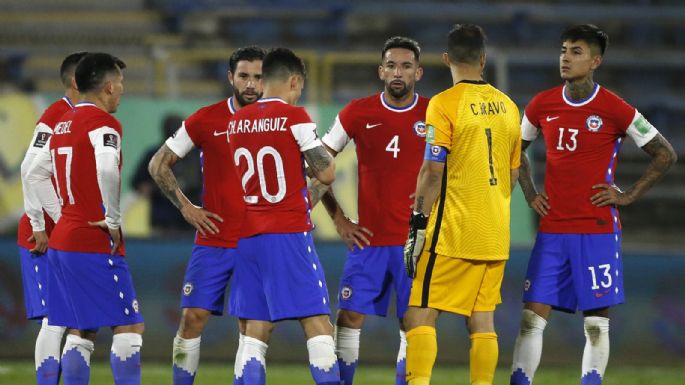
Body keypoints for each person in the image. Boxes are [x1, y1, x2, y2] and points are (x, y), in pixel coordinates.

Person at [509, 24, 677, 385]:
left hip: (596, 229)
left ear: (595, 61)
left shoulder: (615, 108)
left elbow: (665, 154)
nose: (566, 58)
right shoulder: (542, 103)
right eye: (563, 50)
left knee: (596, 325)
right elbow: (515, 152)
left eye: (576, 52)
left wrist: (628, 194)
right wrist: (529, 193)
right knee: (530, 318)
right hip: (553, 229)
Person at [403, 24, 521, 385]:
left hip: (452, 230)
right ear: (483, 60)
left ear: (445, 59)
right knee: (482, 319)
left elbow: (432, 170)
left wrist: (418, 222)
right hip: (495, 233)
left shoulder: (443, 103)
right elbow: (512, 174)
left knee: (420, 313)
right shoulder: (510, 107)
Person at [147, 46, 265, 385]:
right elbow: (158, 164)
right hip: (214, 240)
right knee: (192, 318)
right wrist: (186, 206)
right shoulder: (205, 119)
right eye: (244, 76)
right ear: (231, 77)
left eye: (258, 76)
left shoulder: (278, 122)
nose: (251, 84)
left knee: (251, 327)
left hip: (257, 241)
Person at [25, 52, 144, 385]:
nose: (122, 89)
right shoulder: (104, 123)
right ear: (108, 86)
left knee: (81, 327)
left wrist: (62, 216)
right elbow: (107, 168)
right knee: (129, 326)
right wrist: (113, 218)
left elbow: (34, 174)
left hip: (65, 239)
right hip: (92, 240)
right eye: (120, 83)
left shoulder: (63, 122)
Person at [320, 36, 429, 385]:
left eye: (406, 66)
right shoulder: (357, 112)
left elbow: (456, 171)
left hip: (417, 242)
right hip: (369, 241)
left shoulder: (436, 112)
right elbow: (318, 165)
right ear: (381, 71)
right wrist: (338, 218)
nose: (399, 72)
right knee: (349, 318)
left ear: (418, 72)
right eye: (392, 65)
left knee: (412, 323)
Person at [227, 47, 338, 385]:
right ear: (293, 81)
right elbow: (328, 173)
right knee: (317, 323)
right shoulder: (296, 117)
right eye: (299, 87)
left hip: (248, 237)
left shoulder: (236, 121)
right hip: (287, 232)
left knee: (254, 330)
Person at [19, 51, 87, 385]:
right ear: (78, 81)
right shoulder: (56, 116)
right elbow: (29, 171)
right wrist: (40, 225)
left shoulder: (79, 116)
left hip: (66, 233)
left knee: (76, 317)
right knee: (57, 319)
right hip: (45, 233)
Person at [133, 113, 201, 235]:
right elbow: (137, 182)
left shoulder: (196, 154)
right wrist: (155, 187)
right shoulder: (154, 154)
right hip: (163, 219)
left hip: (191, 220)